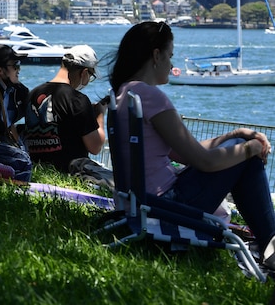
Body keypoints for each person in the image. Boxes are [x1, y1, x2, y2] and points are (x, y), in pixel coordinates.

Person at [111, 21, 275, 270]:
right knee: (245, 155)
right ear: (156, 55)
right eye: (170, 56)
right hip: (166, 204)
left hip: (143, 202)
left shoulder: (127, 93)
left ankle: (269, 242)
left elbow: (184, 150)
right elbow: (204, 162)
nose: (172, 64)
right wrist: (250, 148)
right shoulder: (151, 96)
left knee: (240, 146)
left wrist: (234, 135)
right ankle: (269, 245)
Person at [24, 45, 105, 172]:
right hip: (68, 170)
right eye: (90, 76)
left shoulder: (32, 94)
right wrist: (100, 115)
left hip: (36, 168)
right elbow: (95, 147)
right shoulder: (77, 100)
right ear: (84, 72)